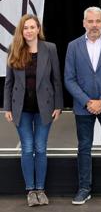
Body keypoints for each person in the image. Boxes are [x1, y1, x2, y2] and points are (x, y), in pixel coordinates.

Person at [64, 7, 101, 205]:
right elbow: (69, 79)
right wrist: (88, 102)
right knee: (83, 148)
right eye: (90, 21)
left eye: (98, 21)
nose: (94, 25)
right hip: (84, 107)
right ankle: (84, 188)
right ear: (84, 23)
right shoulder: (73, 47)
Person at [3, 14, 63, 207]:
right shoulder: (15, 49)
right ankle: (30, 190)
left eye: (32, 27)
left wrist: (58, 105)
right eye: (25, 28)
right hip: (22, 109)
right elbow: (9, 83)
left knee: (40, 148)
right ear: (21, 31)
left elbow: (56, 80)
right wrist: (7, 107)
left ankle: (40, 189)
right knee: (27, 149)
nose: (29, 31)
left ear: (38, 29)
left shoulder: (50, 49)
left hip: (44, 108)